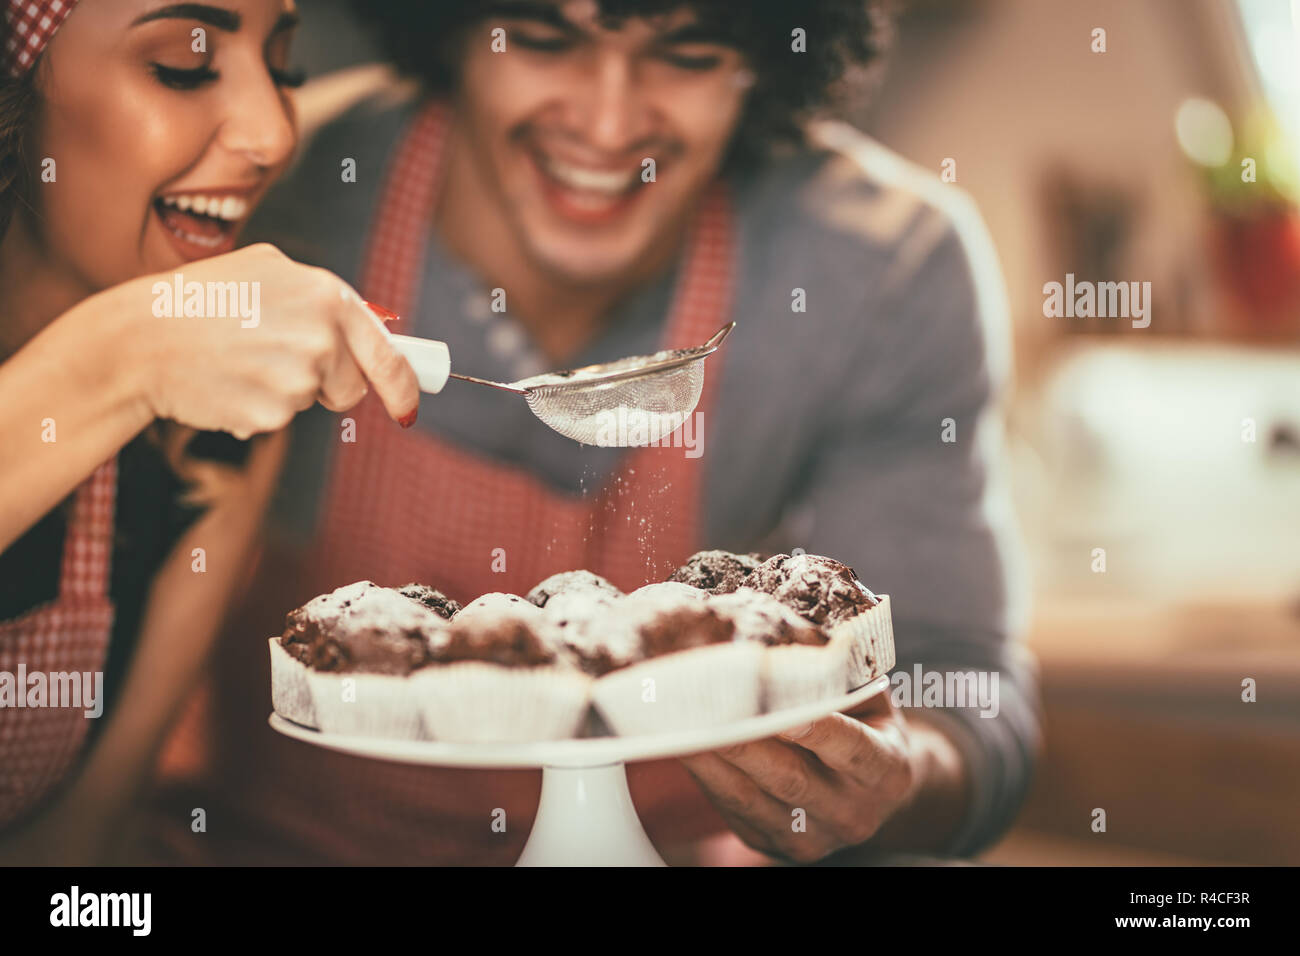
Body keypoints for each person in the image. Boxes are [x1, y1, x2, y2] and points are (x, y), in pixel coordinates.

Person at [145, 0, 1041, 866]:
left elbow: (964, 702)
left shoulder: (882, 270)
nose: (610, 123)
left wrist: (884, 782)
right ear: (450, 29)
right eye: (541, 37)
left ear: (766, 61)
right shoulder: (268, 193)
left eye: (689, 53)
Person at [0, 0, 422, 864]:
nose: (272, 134)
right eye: (184, 67)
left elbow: (77, 846)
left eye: (284, 64)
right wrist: (124, 358)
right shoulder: (165, 364)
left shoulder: (221, 430)